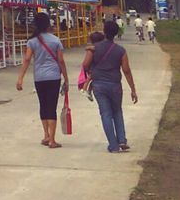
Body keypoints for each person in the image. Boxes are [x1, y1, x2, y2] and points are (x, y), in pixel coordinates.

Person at [81, 19, 138, 153]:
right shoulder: (121, 50)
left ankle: (113, 145)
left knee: (106, 114)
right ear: (116, 33)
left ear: (104, 32)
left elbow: (85, 64)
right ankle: (122, 140)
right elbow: (126, 70)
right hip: (115, 85)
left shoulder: (94, 48)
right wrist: (133, 89)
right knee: (117, 111)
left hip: (99, 85)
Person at [15, 12, 69, 148]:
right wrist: (66, 79)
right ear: (48, 24)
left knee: (43, 106)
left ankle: (45, 135)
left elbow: (27, 59)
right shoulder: (55, 40)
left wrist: (20, 78)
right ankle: (52, 140)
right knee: (52, 107)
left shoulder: (32, 41)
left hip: (39, 78)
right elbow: (61, 61)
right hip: (53, 77)